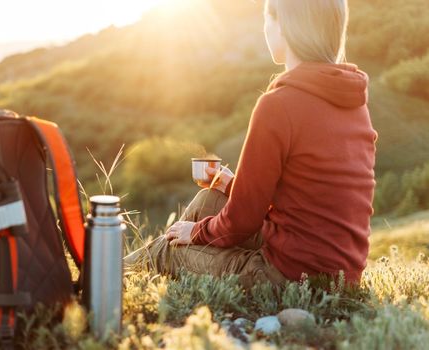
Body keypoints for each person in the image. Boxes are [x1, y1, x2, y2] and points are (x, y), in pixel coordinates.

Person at [124, 0, 377, 289]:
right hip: (341, 272)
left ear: (283, 26)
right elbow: (309, 198)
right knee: (210, 200)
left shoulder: (278, 105)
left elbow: (242, 221)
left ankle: (93, 280)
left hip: (290, 277)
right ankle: (144, 269)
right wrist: (236, 187)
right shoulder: (355, 104)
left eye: (268, 19)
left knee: (169, 251)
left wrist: (195, 232)